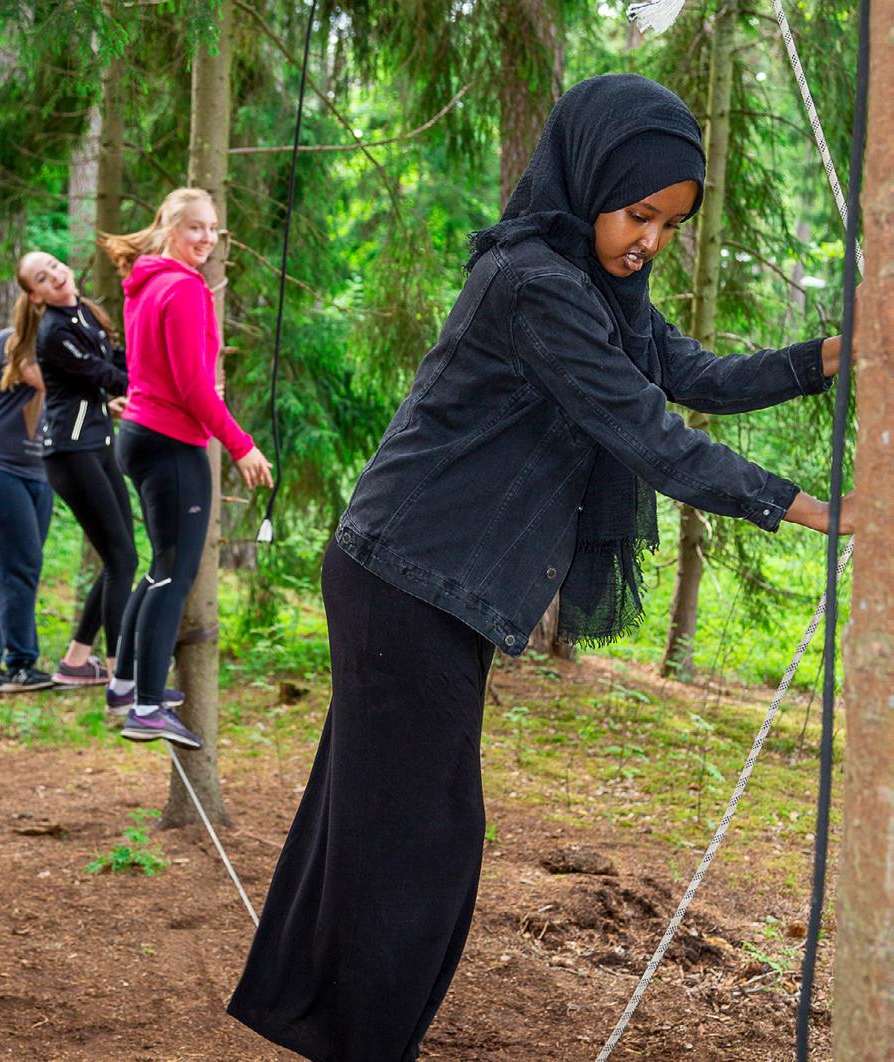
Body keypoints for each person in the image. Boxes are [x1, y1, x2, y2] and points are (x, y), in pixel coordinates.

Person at [227, 74, 855, 1061]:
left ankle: (319, 1020)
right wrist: (820, 509)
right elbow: (649, 434)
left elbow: (690, 378)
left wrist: (828, 354)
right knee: (422, 844)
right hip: (404, 575)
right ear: (587, 176)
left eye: (670, 225)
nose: (647, 240)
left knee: (378, 830)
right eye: (637, 213)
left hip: (424, 577)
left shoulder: (601, 289)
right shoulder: (533, 283)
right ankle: (355, 1038)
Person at [99, 188, 273, 749]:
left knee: (159, 569)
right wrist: (242, 444)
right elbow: (194, 387)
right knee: (173, 575)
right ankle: (147, 707)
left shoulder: (146, 284)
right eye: (195, 227)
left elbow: (158, 368)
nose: (206, 239)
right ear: (170, 227)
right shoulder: (182, 290)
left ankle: (127, 683)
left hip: (142, 434)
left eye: (213, 229)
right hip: (171, 444)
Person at [13, 251, 138, 687]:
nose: (56, 276)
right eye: (43, 279)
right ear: (36, 297)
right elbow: (108, 376)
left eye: (54, 266)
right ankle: (121, 670)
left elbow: (119, 363)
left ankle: (75, 661)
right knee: (123, 560)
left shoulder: (85, 314)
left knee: (121, 558)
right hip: (71, 452)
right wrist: (164, 382)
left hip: (99, 446)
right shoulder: (53, 333)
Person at [0, 325, 54, 693]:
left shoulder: (61, 353)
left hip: (39, 472)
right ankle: (21, 663)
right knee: (21, 564)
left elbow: (71, 410)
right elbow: (43, 378)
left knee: (7, 568)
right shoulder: (13, 339)